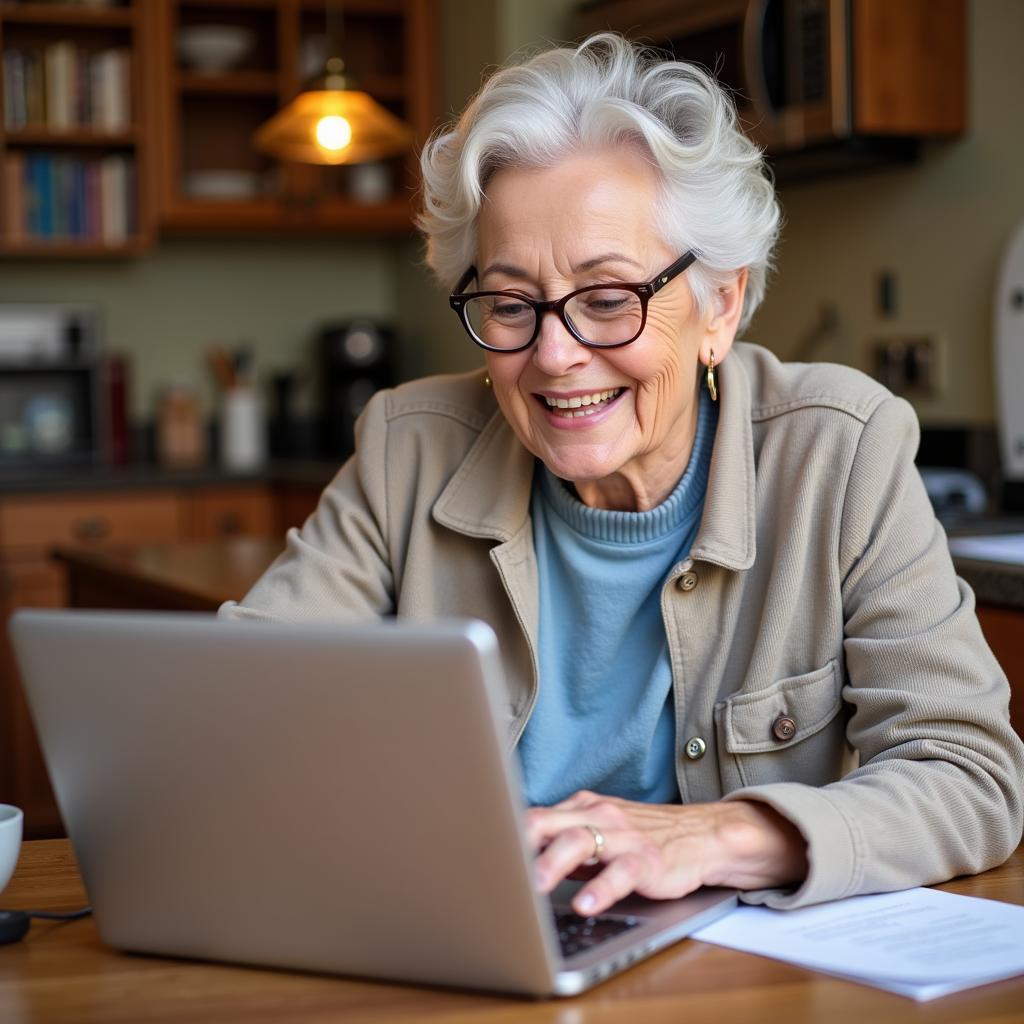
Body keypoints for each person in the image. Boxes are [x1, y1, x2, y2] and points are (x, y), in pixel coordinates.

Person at [221, 33, 1024, 916]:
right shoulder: (407, 448)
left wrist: (718, 836)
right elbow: (237, 707)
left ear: (720, 303)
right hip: (468, 937)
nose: (555, 356)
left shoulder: (841, 451)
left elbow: (970, 776)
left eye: (608, 299)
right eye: (509, 304)